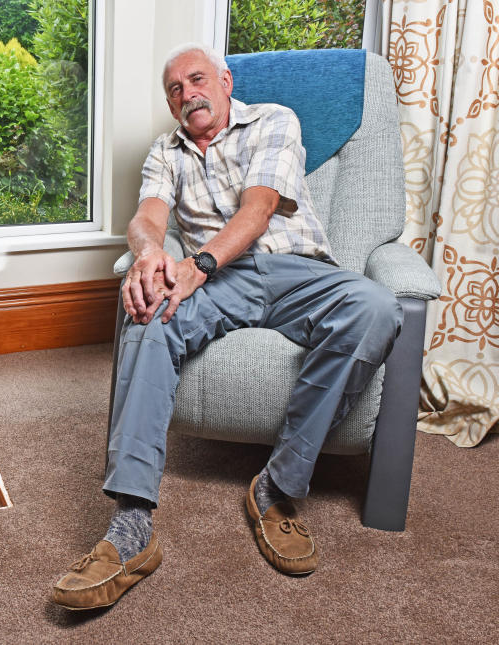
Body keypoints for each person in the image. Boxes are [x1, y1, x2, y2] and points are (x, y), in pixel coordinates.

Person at [51, 43, 403, 611]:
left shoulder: (272, 120)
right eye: (174, 89)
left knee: (377, 309)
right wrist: (146, 256)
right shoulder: (165, 153)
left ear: (225, 81)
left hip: (296, 273)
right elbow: (147, 218)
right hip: (218, 287)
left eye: (197, 79)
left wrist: (197, 265)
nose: (188, 93)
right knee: (147, 312)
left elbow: (258, 207)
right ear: (170, 105)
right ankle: (131, 526)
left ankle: (277, 488)